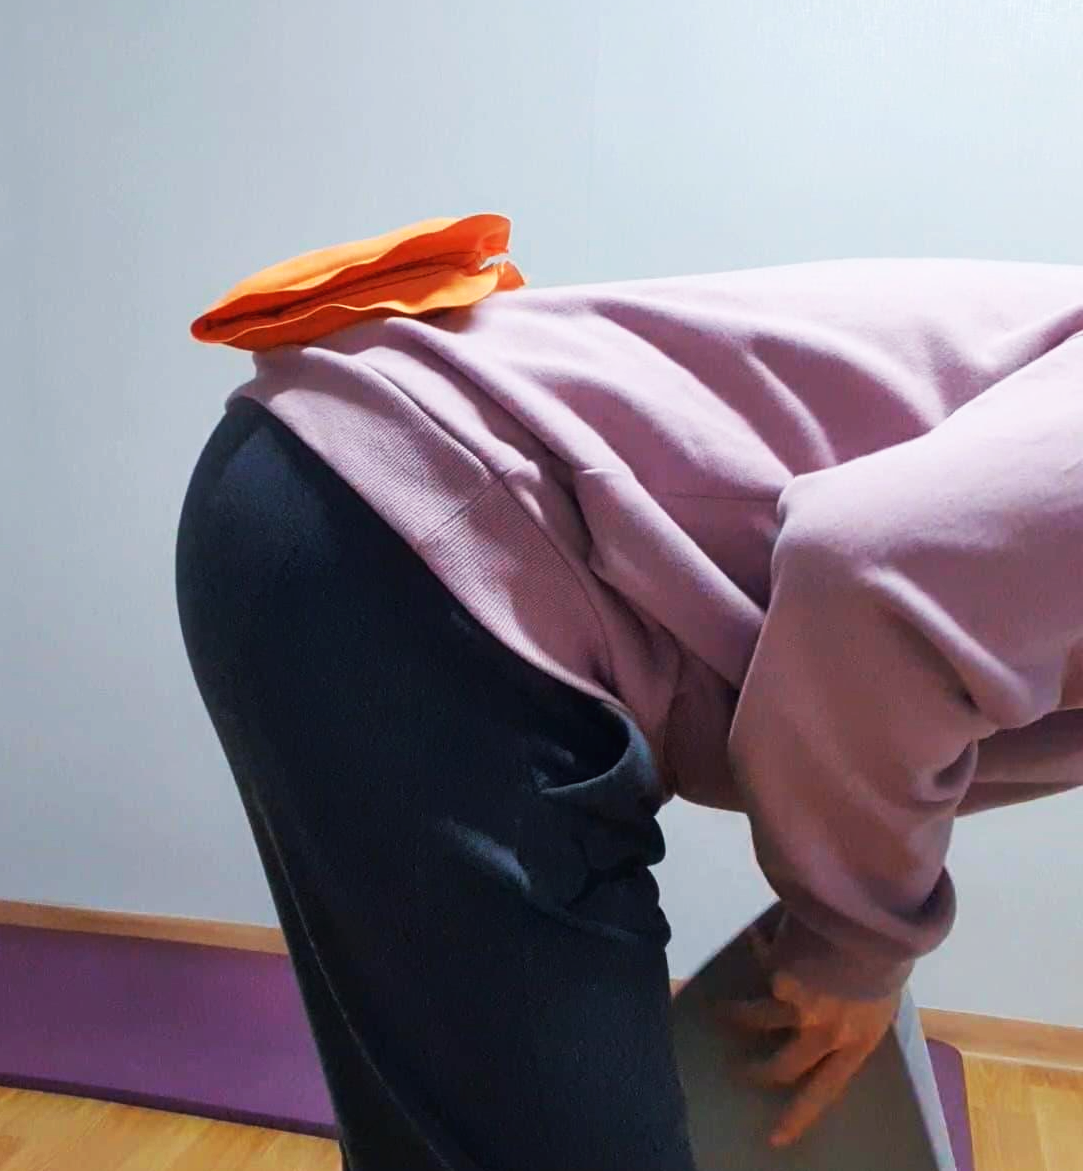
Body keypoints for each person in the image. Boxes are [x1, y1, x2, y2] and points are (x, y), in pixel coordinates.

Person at [175, 252, 1083, 1170]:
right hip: (397, 525)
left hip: (361, 510)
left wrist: (855, 935)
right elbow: (866, 571)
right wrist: (854, 941)